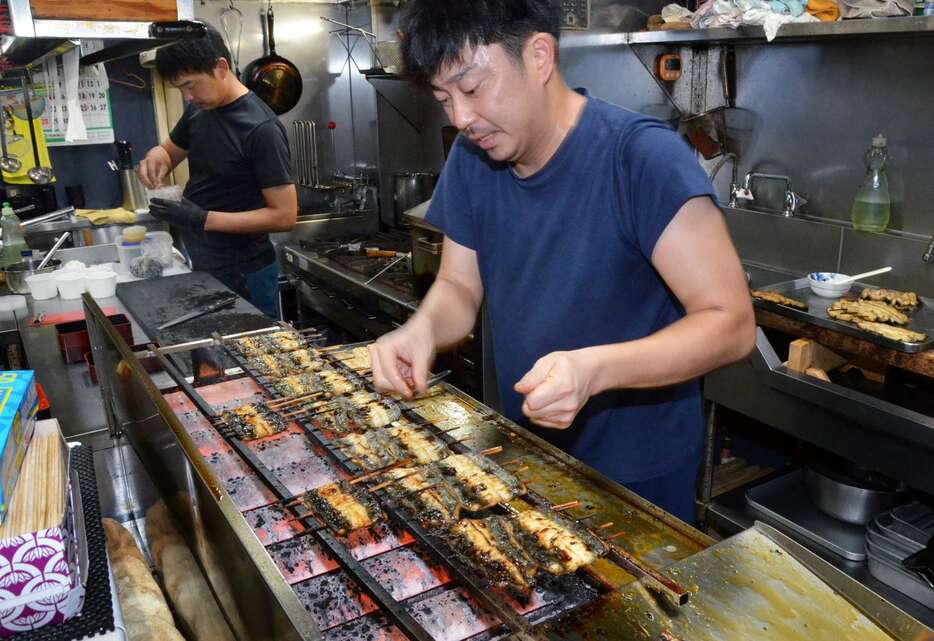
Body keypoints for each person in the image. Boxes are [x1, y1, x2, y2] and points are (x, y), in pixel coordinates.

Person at [368, 0, 757, 523]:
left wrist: (594, 369)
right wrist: (421, 331)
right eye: (444, 99)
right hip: (527, 456)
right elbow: (460, 288)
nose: (461, 118)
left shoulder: (641, 158)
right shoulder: (473, 158)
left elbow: (731, 324)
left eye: (472, 88)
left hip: (637, 479)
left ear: (540, 56)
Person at [138, 28, 297, 319]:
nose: (187, 97)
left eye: (191, 86)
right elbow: (169, 151)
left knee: (252, 356)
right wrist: (155, 158)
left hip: (245, 271)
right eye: (180, 90)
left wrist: (202, 219)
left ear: (221, 67)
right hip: (204, 259)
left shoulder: (261, 129)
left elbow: (284, 216)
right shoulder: (201, 110)